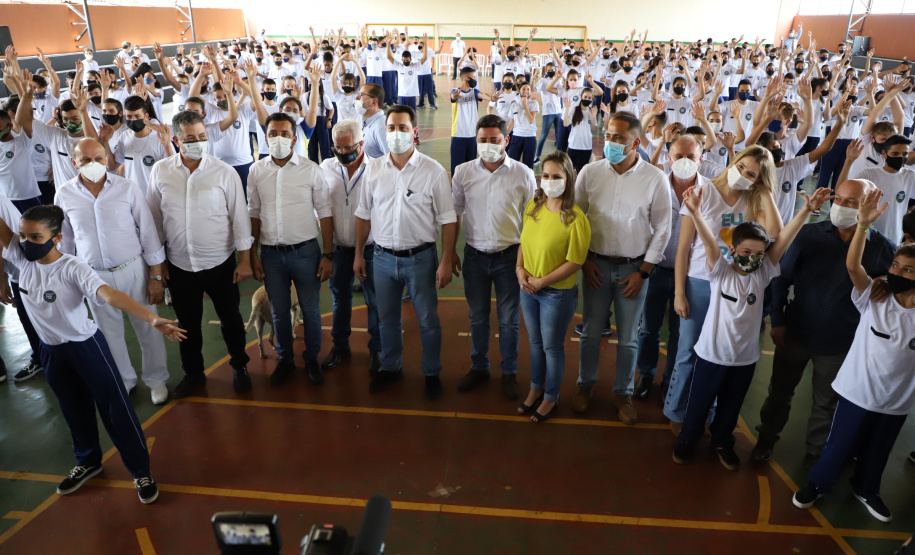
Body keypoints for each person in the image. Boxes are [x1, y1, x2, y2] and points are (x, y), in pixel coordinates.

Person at [0, 204, 185, 504]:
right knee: (73, 408)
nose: (25, 243)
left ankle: (141, 471)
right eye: (22, 236)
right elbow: (5, 232)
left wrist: (152, 318)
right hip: (50, 352)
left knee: (116, 409)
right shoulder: (22, 260)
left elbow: (110, 295)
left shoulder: (73, 267)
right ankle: (88, 461)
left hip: (86, 348)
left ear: (57, 238)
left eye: (35, 237)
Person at [673, 184, 832, 470]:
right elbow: (710, 243)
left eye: (759, 254)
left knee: (731, 407)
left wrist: (807, 210)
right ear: (733, 250)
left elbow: (782, 240)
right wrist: (695, 213)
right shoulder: (720, 271)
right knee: (699, 402)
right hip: (711, 354)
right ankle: (688, 438)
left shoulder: (762, 274)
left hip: (744, 358)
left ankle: (722, 441)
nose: (753, 258)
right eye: (747, 252)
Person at [793, 189, 915, 523]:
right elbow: (852, 264)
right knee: (838, 444)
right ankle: (818, 483)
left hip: (896, 401)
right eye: (895, 266)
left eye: (908, 271)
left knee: (878, 450)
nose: (898, 273)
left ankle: (866, 488)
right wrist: (862, 226)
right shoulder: (875, 297)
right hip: (858, 392)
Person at [752, 179, 895, 463]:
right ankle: (766, 438)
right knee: (779, 392)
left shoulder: (882, 247)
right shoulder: (809, 235)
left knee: (826, 403)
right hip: (796, 333)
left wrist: (889, 283)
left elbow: (887, 290)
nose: (840, 206)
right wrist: (777, 320)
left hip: (840, 342)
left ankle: (816, 453)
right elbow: (781, 278)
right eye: (838, 199)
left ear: (868, 205)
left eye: (850, 202)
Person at [667, 146, 782, 436]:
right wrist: (680, 292)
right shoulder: (702, 191)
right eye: (741, 166)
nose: (742, 174)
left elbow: (776, 232)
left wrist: (765, 191)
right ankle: (676, 410)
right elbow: (682, 249)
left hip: (733, 286)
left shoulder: (752, 199)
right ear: (734, 161)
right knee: (688, 351)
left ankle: (709, 410)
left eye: (752, 174)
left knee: (722, 356)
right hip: (699, 282)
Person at [573, 112, 672, 425]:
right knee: (590, 332)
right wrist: (585, 261)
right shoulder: (589, 174)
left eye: (619, 138)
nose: (611, 142)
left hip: (633, 270)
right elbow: (576, 220)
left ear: (636, 143)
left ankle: (622, 393)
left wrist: (643, 272)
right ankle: (585, 385)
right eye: (608, 135)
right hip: (596, 267)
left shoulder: (655, 179)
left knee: (629, 337)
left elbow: (663, 229)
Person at [146, 110, 254, 398]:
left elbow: (240, 218)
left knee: (231, 319)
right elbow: (154, 220)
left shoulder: (224, 172)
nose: (198, 142)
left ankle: (240, 366)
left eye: (202, 137)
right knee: (188, 324)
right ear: (177, 140)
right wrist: (158, 266)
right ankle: (193, 373)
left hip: (220, 263)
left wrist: (244, 260)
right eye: (191, 138)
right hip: (179, 264)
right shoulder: (161, 170)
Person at [56, 138, 171, 404]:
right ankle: (124, 380)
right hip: (93, 276)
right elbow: (67, 241)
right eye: (85, 160)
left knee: (148, 326)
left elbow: (149, 233)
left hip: (133, 269)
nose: (93, 164)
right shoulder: (64, 194)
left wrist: (155, 276)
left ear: (106, 158)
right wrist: (72, 283)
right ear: (74, 163)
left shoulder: (126, 188)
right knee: (109, 333)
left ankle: (156, 380)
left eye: (98, 157)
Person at [353, 105, 457, 400]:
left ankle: (432, 372)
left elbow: (447, 219)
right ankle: (391, 367)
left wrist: (447, 259)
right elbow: (363, 214)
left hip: (421, 260)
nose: (396, 133)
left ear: (415, 132)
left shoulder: (433, 172)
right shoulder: (373, 170)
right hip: (383, 258)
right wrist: (359, 254)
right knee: (387, 319)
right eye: (390, 128)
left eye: (402, 128)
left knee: (428, 320)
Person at [452, 115, 536, 400]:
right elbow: (456, 214)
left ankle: (509, 372)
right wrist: (449, 251)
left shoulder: (523, 174)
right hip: (475, 257)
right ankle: (479, 367)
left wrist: (526, 263)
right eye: (483, 140)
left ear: (506, 141)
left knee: (509, 320)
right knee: (477, 317)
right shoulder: (463, 172)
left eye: (494, 140)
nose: (488, 145)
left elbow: (533, 221)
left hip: (510, 258)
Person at [248, 112, 333, 386]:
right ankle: (285, 360)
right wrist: (252, 255)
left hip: (306, 253)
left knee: (309, 310)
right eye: (273, 133)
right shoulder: (256, 171)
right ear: (265, 137)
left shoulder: (311, 169)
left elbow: (324, 212)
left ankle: (311, 360)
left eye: (285, 134)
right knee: (279, 312)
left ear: (294, 139)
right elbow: (254, 213)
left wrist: (328, 254)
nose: (279, 138)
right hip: (271, 255)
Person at [516, 151, 590, 422]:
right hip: (529, 289)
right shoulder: (533, 206)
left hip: (555, 294)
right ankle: (536, 389)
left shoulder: (575, 218)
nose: (549, 181)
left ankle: (551, 397)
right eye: (545, 175)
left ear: (568, 179)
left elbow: (575, 261)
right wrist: (519, 270)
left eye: (556, 176)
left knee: (552, 347)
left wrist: (542, 281)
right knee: (535, 343)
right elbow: (523, 241)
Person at [634, 136, 706, 402]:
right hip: (654, 270)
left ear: (701, 159)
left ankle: (670, 380)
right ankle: (645, 374)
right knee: (648, 329)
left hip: (690, 277)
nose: (684, 162)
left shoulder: (709, 192)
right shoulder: (653, 185)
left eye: (691, 157)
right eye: (679, 156)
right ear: (668, 158)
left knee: (681, 332)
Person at [320, 119, 381, 375]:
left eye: (348, 147)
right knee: (339, 299)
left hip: (370, 249)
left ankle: (377, 350)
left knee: (375, 301)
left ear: (361, 143)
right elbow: (321, 210)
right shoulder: (326, 167)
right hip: (338, 249)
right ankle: (340, 345)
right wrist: (327, 252)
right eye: (338, 147)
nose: (343, 153)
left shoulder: (378, 169)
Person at [847, 135, 915, 243]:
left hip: (893, 238)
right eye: (895, 154)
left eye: (905, 154)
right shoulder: (869, 174)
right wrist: (849, 161)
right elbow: (843, 190)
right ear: (884, 153)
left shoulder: (910, 176)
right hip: (866, 234)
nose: (901, 157)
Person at [108, 96, 173, 193]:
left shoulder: (159, 138)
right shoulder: (124, 137)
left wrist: (167, 145)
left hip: (155, 195)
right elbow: (113, 166)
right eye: (129, 116)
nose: (133, 120)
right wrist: (104, 141)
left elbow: (173, 168)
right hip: (133, 196)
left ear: (146, 116)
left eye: (137, 116)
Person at [450, 68, 495, 176]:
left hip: (472, 136)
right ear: (467, 78)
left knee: (471, 168)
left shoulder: (474, 92)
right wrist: (454, 97)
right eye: (474, 77)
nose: (475, 80)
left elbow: (483, 95)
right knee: (457, 169)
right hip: (458, 135)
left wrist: (492, 98)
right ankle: (455, 191)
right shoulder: (455, 91)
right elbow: (452, 97)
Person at [355, 83, 389, 159]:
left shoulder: (381, 127)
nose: (357, 98)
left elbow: (391, 161)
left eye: (361, 95)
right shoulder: (370, 123)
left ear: (373, 102)